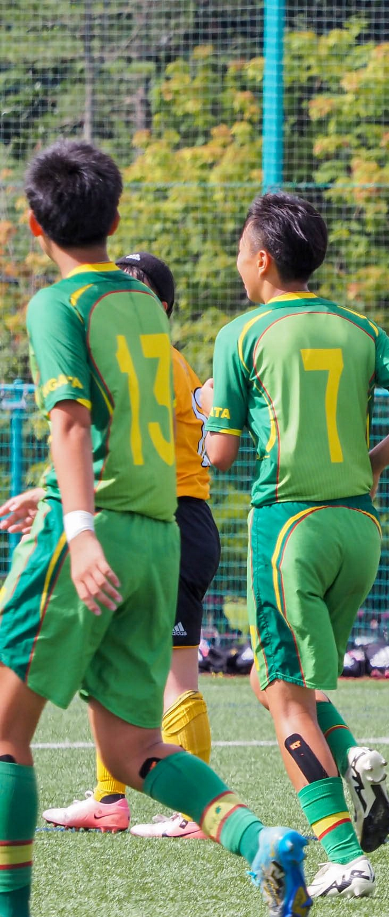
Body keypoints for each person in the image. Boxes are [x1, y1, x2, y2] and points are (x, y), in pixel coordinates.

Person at [0, 140, 310, 917]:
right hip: (160, 535)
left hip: (94, 541)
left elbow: (70, 418)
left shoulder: (55, 304)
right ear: (113, 212)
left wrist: (76, 525)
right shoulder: (144, 307)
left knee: (5, 735)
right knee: (135, 746)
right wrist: (70, 499)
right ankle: (262, 841)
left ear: (36, 224)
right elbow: (122, 427)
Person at [202, 192, 389, 900]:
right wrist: (378, 459)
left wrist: (208, 408)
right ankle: (351, 755)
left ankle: (344, 854)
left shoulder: (240, 334)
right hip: (359, 529)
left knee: (285, 696)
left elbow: (222, 456)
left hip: (289, 525)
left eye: (240, 250)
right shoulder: (358, 325)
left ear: (262, 259)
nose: (238, 262)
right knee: (278, 684)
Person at [34, 252, 221, 839]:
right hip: (162, 521)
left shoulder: (154, 362)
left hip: (174, 523)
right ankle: (110, 799)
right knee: (110, 668)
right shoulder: (163, 362)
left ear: (159, 308)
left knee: (175, 675)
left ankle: (195, 811)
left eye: (132, 288)